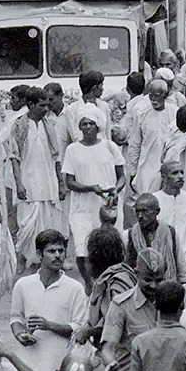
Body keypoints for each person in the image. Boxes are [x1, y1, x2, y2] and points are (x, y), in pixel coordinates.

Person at [101, 248, 166, 371]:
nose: (154, 286)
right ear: (136, 274)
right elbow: (107, 348)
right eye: (148, 280)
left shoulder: (171, 304)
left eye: (159, 279)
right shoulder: (121, 305)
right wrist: (110, 363)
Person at [9, 229, 88, 371]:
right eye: (51, 251)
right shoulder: (23, 285)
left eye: (61, 251)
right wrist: (19, 334)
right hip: (28, 365)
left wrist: (49, 325)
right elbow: (16, 317)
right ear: (39, 255)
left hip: (58, 369)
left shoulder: (75, 288)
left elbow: (79, 329)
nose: (57, 255)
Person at [63, 105, 126, 288]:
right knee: (82, 253)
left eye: (92, 123)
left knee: (110, 250)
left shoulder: (110, 146)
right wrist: (90, 188)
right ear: (80, 127)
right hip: (82, 208)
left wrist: (115, 189)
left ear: (98, 126)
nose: (88, 127)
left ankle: (111, 284)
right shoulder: (72, 150)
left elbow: (121, 176)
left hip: (108, 207)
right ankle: (90, 286)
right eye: (84, 124)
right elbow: (69, 182)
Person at [8, 88, 64, 266]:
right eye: (41, 105)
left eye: (47, 105)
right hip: (29, 185)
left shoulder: (50, 125)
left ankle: (46, 262)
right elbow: (14, 159)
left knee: (49, 223)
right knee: (27, 227)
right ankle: (25, 261)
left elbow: (56, 158)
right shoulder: (19, 126)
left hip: (48, 185)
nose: (46, 109)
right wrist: (19, 184)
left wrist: (60, 183)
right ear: (30, 105)